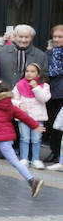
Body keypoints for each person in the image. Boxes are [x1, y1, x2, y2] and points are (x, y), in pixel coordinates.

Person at [12, 62, 50, 169]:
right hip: (24, 117)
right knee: (24, 138)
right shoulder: (19, 84)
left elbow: (44, 99)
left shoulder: (44, 86)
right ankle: (24, 158)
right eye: (27, 71)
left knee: (36, 138)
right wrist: (19, 104)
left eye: (32, 71)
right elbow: (12, 98)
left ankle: (36, 159)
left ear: (38, 74)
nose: (28, 73)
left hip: (38, 117)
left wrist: (36, 87)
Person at [46, 25, 63, 168]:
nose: (57, 39)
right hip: (50, 93)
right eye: (55, 37)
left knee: (60, 126)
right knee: (52, 124)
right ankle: (54, 151)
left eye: (60, 37)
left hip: (62, 93)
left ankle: (60, 154)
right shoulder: (49, 53)